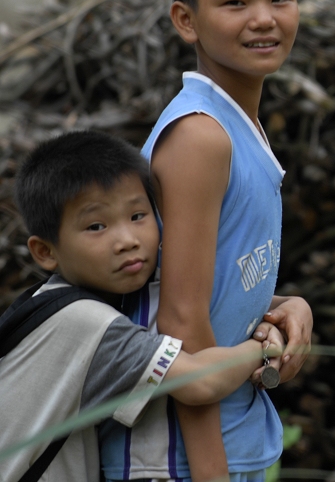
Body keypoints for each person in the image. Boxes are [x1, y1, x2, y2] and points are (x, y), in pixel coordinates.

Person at [99, 0, 313, 482]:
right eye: (236, 2)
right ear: (186, 20)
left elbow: (210, 287)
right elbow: (179, 324)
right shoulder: (199, 137)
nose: (264, 19)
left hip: (235, 439)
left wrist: (286, 309)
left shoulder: (235, 126)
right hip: (182, 458)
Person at [0, 130, 283, 482]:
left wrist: (291, 306)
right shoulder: (85, 322)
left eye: (137, 216)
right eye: (96, 226)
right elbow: (199, 382)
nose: (127, 241)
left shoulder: (50, 302)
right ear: (45, 251)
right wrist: (265, 348)